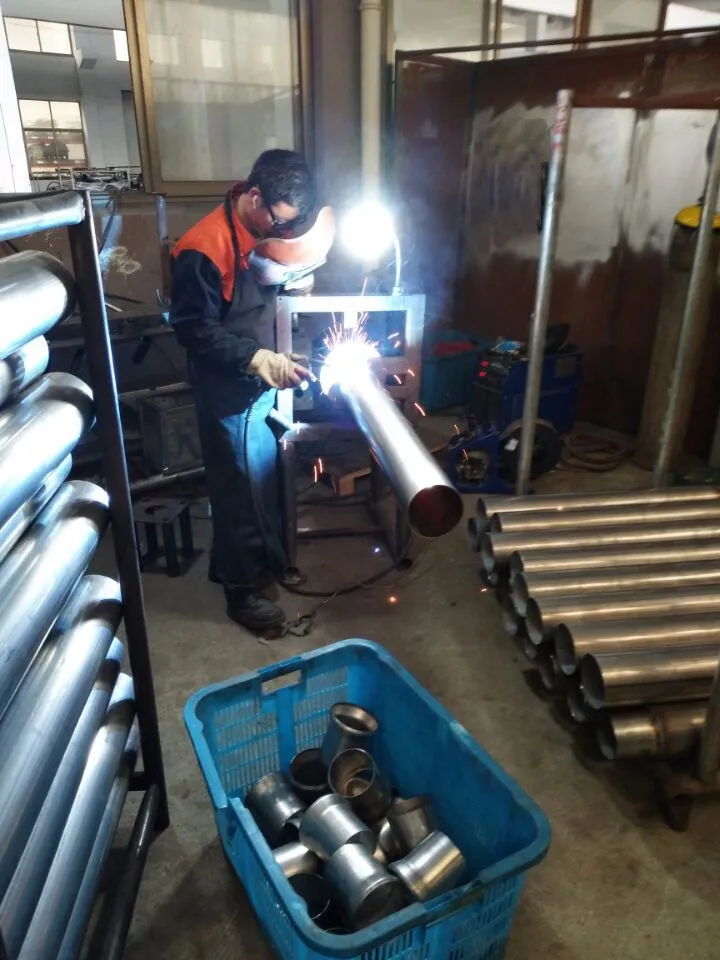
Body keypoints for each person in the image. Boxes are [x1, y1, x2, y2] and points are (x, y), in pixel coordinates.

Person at [170, 149, 331, 632]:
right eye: (279, 221)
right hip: (227, 388)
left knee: (259, 481)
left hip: (258, 382)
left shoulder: (262, 233)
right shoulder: (203, 248)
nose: (283, 231)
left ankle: (237, 564)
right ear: (254, 196)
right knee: (241, 488)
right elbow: (194, 329)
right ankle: (241, 593)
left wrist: (283, 344)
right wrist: (258, 359)